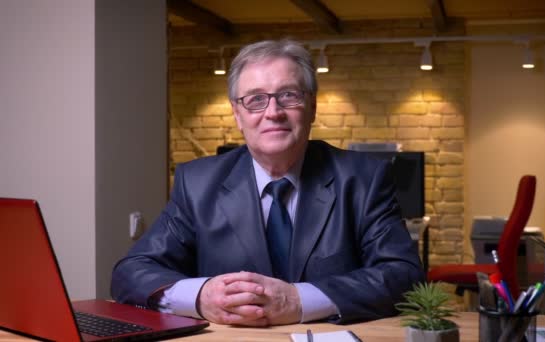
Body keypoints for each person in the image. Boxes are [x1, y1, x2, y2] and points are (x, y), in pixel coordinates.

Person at [111, 39, 424, 326]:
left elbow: (404, 275)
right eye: (256, 100)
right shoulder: (197, 184)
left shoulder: (363, 179)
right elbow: (130, 273)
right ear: (237, 113)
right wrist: (201, 295)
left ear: (312, 106)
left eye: (288, 95)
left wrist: (297, 300)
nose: (273, 112)